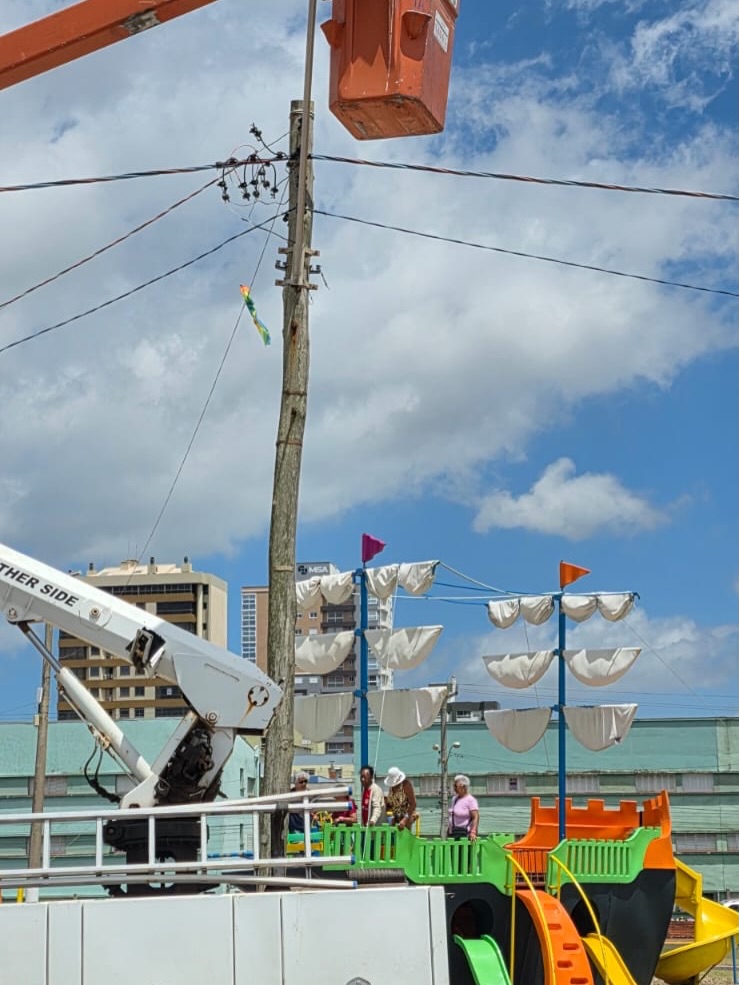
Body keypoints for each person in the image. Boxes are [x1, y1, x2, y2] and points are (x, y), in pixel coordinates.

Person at [384, 766, 418, 831]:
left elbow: (413, 804)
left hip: (407, 815)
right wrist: (391, 817)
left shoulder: (406, 785)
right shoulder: (391, 788)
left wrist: (405, 819)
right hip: (395, 816)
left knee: (404, 833)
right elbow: (389, 804)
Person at [448, 774, 479, 841]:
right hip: (454, 832)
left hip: (465, 833)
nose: (454, 788)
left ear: (463, 787)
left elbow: (475, 817)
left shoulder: (471, 800)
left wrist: (473, 832)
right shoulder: (454, 799)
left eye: (456, 786)